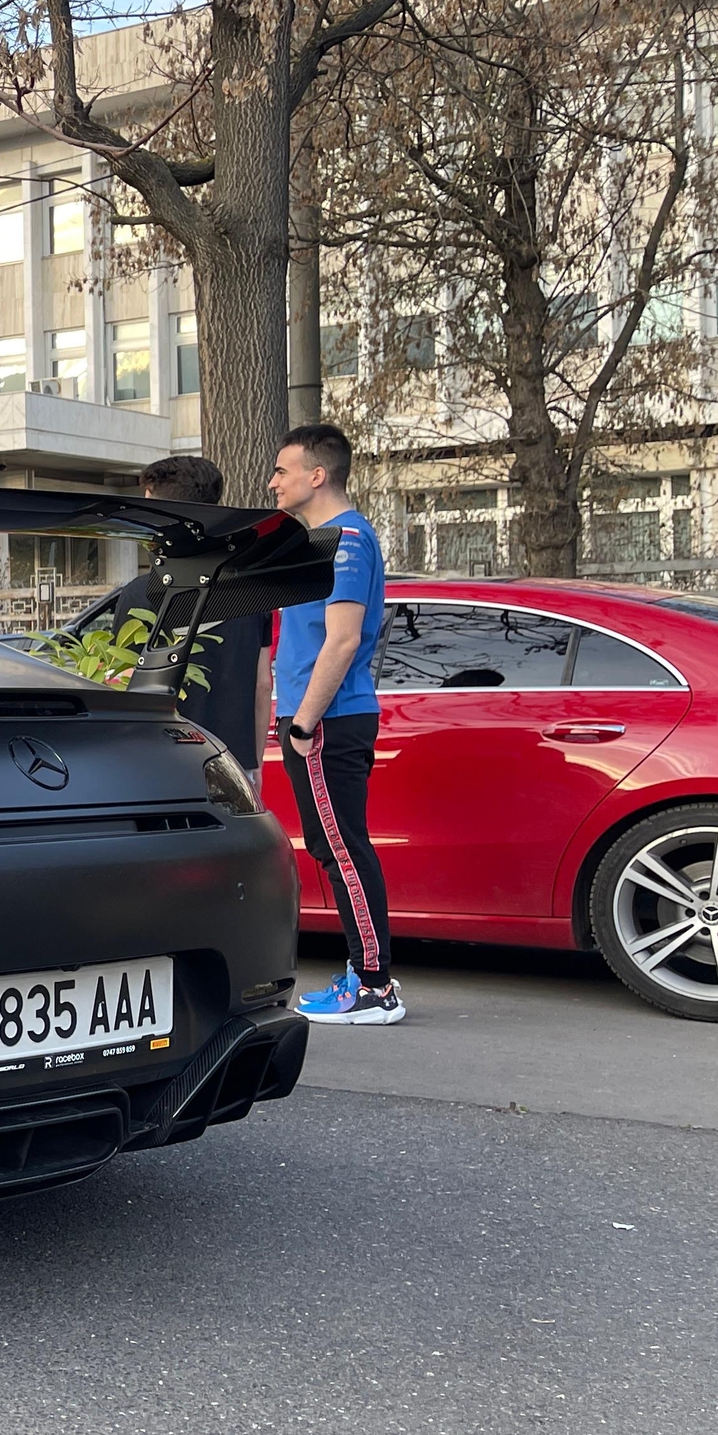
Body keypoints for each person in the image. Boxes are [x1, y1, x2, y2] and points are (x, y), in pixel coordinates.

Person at [268, 423, 404, 1025]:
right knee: (336, 847)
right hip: (319, 719)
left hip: (326, 721)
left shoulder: (346, 539)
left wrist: (302, 724)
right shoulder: (326, 539)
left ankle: (374, 988)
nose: (273, 481)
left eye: (282, 470)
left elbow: (342, 640)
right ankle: (363, 977)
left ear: (315, 475)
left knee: (342, 851)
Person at [80, 455, 271, 763]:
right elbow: (263, 685)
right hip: (235, 763)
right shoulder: (253, 592)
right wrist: (255, 762)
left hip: (163, 763)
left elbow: (124, 686)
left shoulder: (140, 594)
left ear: (165, 516)